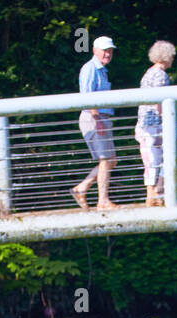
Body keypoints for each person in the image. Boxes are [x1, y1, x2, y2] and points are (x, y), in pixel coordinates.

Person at [71, 36, 119, 211]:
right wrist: (97, 118)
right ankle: (103, 201)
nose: (108, 54)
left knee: (111, 160)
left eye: (110, 50)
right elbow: (86, 95)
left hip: (101, 118)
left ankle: (81, 188)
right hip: (94, 118)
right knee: (106, 159)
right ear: (94, 50)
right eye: (104, 50)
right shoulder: (90, 68)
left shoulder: (101, 70)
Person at [135, 40, 176, 206]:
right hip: (154, 123)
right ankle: (157, 193)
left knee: (150, 160)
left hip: (144, 122)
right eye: (172, 55)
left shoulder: (148, 73)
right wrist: (167, 121)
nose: (173, 58)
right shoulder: (160, 74)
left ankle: (151, 195)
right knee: (162, 157)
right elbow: (159, 101)